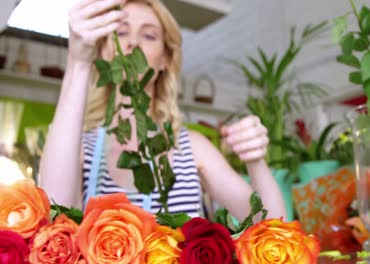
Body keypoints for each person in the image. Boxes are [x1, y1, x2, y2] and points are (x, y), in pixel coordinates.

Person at [39, 0, 286, 221]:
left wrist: (255, 161)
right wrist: (79, 61)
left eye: (148, 36)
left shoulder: (192, 147)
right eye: (121, 32)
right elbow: (53, 214)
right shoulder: (79, 147)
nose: (133, 42)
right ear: (103, 51)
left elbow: (274, 227)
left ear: (165, 59)